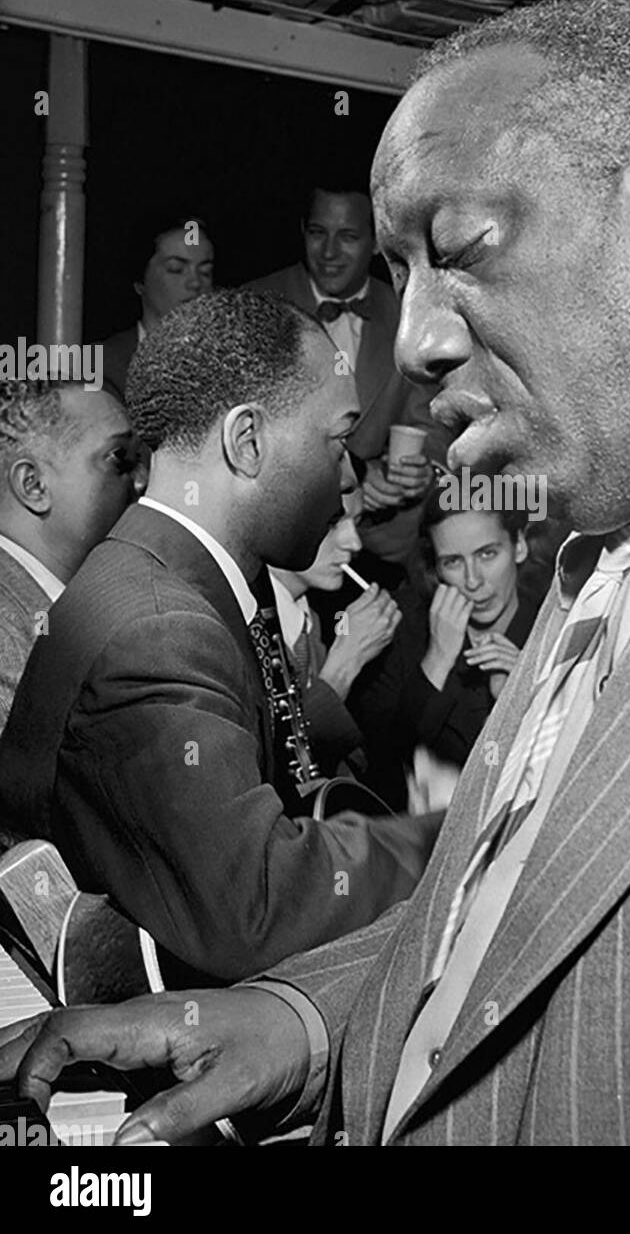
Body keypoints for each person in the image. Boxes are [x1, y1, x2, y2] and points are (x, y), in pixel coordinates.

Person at [7, 0, 630, 1149]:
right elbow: (513, 907)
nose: (414, 341)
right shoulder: (593, 554)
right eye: (396, 271)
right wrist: (300, 1022)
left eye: (461, 250)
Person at [0, 289, 440, 985]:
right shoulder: (159, 627)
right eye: (339, 441)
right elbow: (256, 908)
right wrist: (457, 835)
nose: (352, 475)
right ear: (247, 441)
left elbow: (295, 751)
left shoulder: (201, 575)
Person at [246, 185, 448, 579]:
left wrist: (422, 472)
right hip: (284, 551)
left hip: (384, 550)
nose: (329, 252)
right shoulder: (259, 305)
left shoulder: (409, 315)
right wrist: (353, 471)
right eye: (317, 233)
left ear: (376, 244)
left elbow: (433, 422)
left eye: (348, 237)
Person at [349, 481, 538, 812]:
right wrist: (437, 661)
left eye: (487, 554)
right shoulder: (403, 624)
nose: (473, 580)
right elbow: (380, 765)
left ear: (519, 545)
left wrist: (529, 693)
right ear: (436, 567)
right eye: (453, 562)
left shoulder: (551, 627)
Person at [0, 380, 140, 736]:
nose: (142, 481)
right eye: (119, 458)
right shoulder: (8, 645)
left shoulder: (75, 609)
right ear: (33, 485)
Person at [268, 458, 401, 782]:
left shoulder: (310, 620)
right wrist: (346, 661)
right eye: (333, 523)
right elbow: (272, 771)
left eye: (356, 522)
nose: (354, 543)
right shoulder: (239, 623)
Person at [100, 211, 215, 400]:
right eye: (176, 270)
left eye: (205, 272)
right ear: (140, 281)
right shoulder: (103, 363)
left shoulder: (229, 360)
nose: (195, 283)